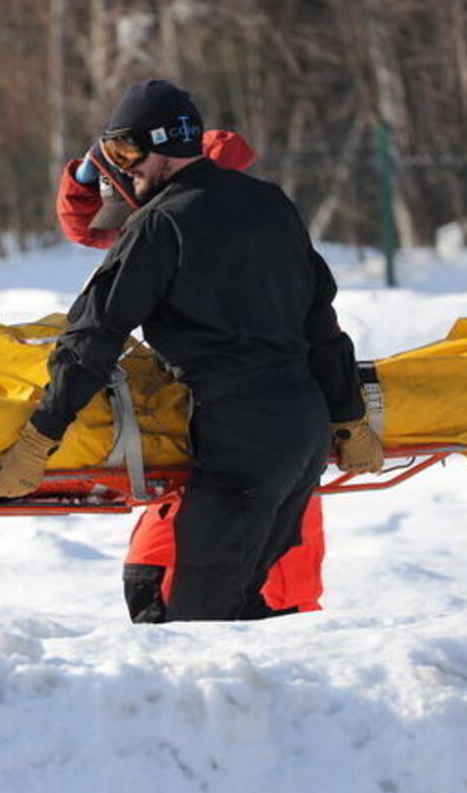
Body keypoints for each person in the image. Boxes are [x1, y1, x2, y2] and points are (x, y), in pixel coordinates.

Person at [0, 79, 383, 622]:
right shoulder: (269, 203)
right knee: (241, 607)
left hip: (240, 442)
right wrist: (346, 416)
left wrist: (42, 434)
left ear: (163, 148)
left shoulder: (160, 223)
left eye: (128, 152)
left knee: (199, 628)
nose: (124, 169)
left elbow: (93, 336)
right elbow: (320, 322)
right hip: (302, 433)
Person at [52, 120, 332, 618]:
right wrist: (88, 171)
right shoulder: (163, 192)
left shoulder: (200, 210)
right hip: (219, 437)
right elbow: (90, 226)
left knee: (247, 603)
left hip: (254, 434)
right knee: (166, 587)